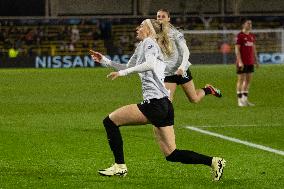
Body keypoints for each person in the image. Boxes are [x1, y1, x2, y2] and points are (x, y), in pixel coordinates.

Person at [89, 19, 226, 181]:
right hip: (164, 104)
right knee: (172, 154)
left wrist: (122, 74)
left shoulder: (149, 43)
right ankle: (214, 161)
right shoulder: (143, 46)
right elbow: (128, 66)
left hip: (154, 104)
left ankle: (120, 166)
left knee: (110, 121)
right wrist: (105, 61)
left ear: (149, 30)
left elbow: (150, 64)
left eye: (141, 26)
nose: (137, 28)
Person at [156, 9, 222, 102]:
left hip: (181, 70)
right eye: (158, 16)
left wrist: (182, 68)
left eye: (163, 16)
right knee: (166, 102)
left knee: (194, 99)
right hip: (168, 72)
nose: (160, 18)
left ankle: (209, 90)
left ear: (168, 18)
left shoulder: (176, 33)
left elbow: (186, 51)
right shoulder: (156, 34)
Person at [235, 19, 259, 107]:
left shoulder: (252, 36)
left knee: (248, 81)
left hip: (250, 62)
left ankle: (245, 100)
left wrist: (256, 60)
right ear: (243, 25)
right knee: (240, 80)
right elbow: (237, 49)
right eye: (248, 23)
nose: (250, 25)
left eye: (251, 23)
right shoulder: (240, 35)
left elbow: (253, 49)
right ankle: (239, 100)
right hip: (242, 62)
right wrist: (240, 61)